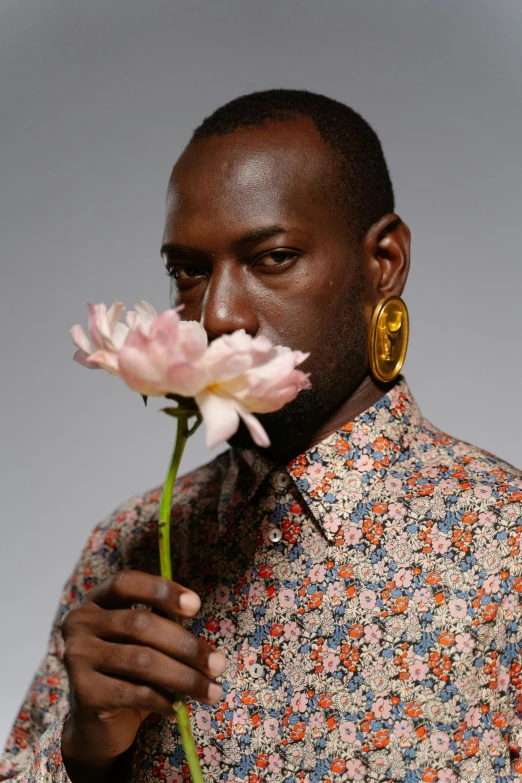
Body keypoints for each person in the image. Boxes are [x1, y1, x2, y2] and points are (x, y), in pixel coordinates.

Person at [2, 89, 521, 783]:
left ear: (384, 261)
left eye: (272, 257)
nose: (216, 314)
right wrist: (83, 754)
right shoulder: (128, 546)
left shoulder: (505, 546)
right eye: (188, 271)